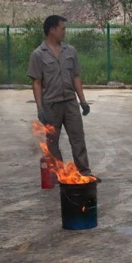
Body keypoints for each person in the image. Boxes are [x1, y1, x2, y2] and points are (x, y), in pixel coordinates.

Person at [28, 15, 92, 175]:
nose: (65, 32)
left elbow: (76, 77)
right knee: (52, 142)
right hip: (51, 105)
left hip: (70, 103)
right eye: (62, 29)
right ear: (52, 30)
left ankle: (84, 171)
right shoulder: (38, 54)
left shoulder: (70, 51)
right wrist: (40, 108)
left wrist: (83, 101)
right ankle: (59, 173)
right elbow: (37, 82)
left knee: (78, 138)